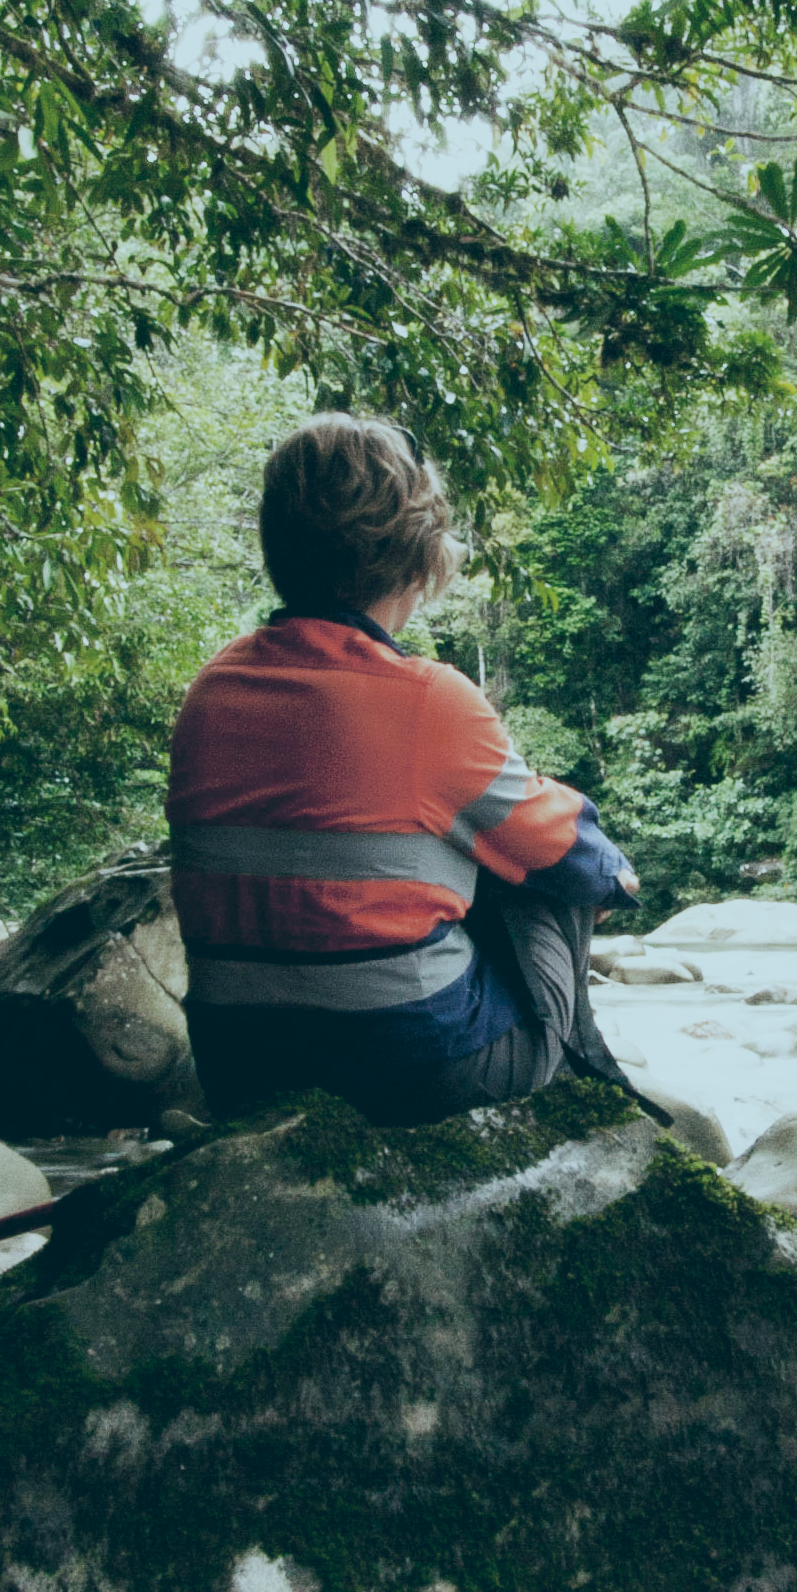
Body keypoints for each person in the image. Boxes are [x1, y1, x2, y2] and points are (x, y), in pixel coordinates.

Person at [166, 412, 643, 1122]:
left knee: (462, 845)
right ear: (419, 561)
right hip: (412, 1075)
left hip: (240, 1068)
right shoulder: (427, 698)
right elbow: (567, 851)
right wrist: (614, 878)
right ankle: (586, 1102)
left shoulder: (212, 688)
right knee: (547, 878)